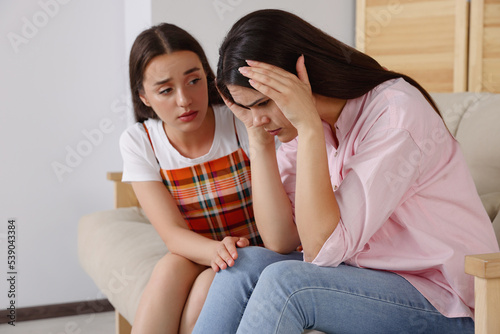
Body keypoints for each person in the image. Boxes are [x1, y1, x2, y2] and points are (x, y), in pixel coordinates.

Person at [192, 9, 500, 334]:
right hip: (373, 279)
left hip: (447, 303)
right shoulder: (308, 125)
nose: (258, 119)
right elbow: (280, 238)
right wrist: (258, 137)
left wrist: (309, 126)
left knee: (288, 284)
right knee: (243, 265)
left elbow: (321, 248)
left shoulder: (396, 116)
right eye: (247, 109)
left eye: (264, 104)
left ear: (301, 78)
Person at [119, 23, 264, 334]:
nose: (185, 100)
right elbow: (172, 234)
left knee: (210, 284)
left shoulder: (240, 119)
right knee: (171, 266)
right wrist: (214, 251)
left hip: (255, 247)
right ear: (144, 96)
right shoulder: (140, 140)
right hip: (199, 250)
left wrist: (222, 254)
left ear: (208, 77)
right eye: (166, 90)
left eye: (194, 80)